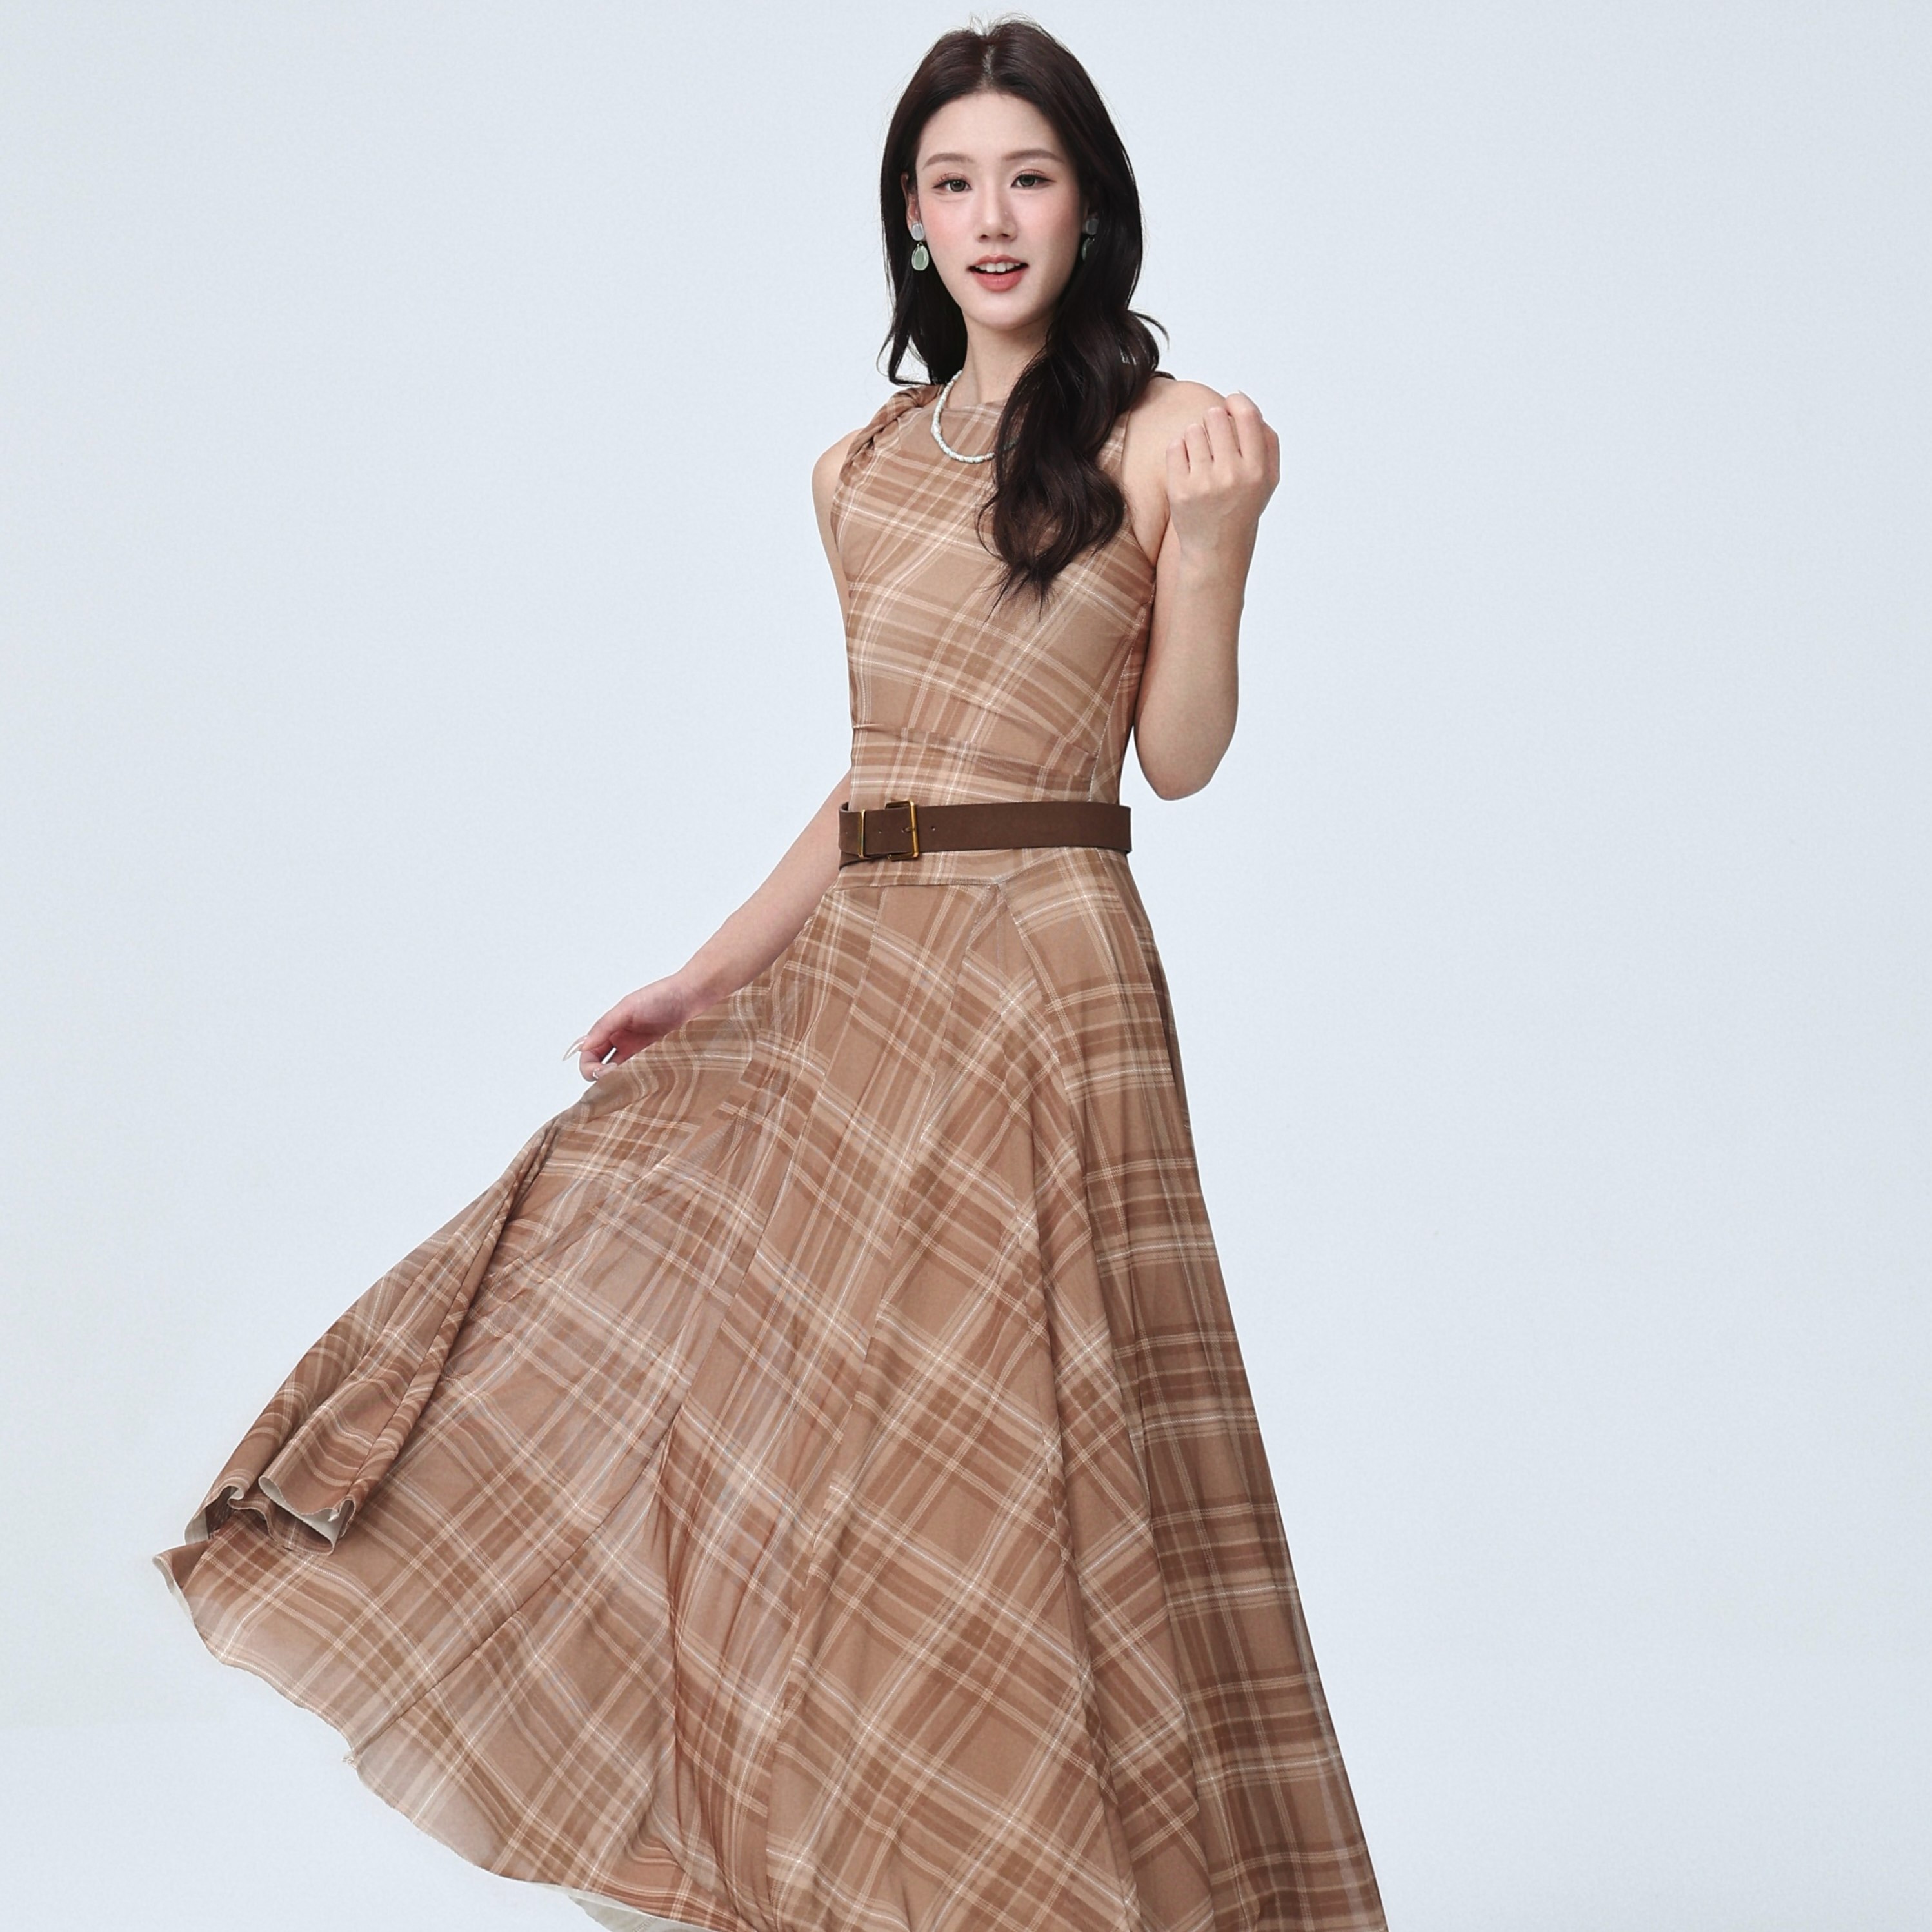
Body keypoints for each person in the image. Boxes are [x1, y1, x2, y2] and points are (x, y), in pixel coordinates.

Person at [155, 18, 1389, 1932]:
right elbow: (877, 775)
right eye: (953, 183)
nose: (992, 217)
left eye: (1029, 177)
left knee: (1048, 1435)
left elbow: (1179, 758)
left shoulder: (1180, 438)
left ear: (1090, 206)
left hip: (1047, 970)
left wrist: (1218, 545)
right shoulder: (856, 470)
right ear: (910, 219)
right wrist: (706, 974)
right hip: (871, 974)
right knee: (848, 1445)